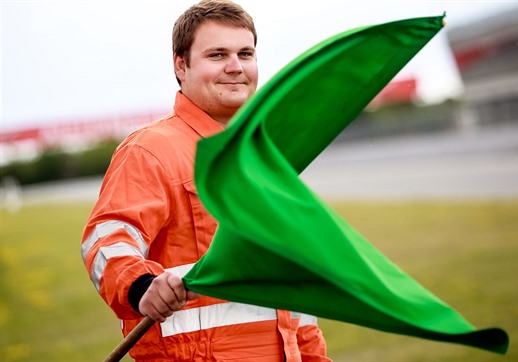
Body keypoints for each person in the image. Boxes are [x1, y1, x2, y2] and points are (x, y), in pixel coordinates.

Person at [81, 1, 331, 360]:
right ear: (181, 65)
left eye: (246, 53)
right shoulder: (150, 150)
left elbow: (291, 282)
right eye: (217, 55)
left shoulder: (266, 159)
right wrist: (142, 286)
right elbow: (106, 239)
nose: (235, 67)